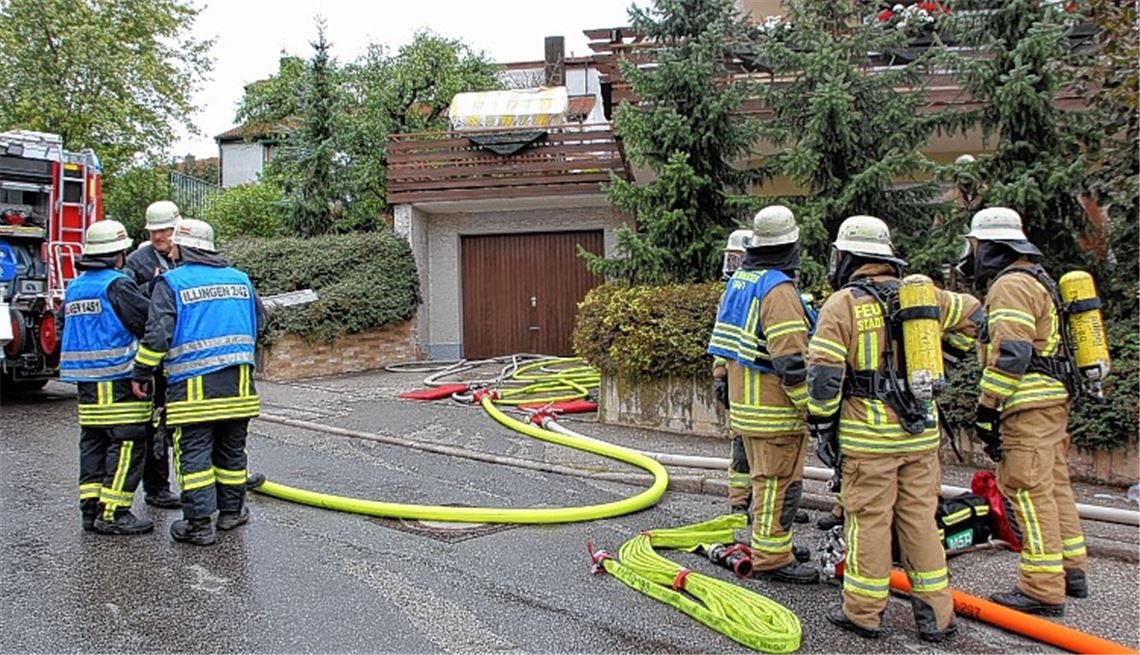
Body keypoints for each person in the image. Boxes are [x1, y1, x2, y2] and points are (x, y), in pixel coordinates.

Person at [807, 215, 981, 642]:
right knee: (921, 521)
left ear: (848, 257)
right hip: (920, 433)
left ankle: (863, 612)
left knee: (868, 523)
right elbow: (978, 316)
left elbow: (825, 376)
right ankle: (937, 617)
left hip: (869, 440)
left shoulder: (843, 304)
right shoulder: (922, 296)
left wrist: (823, 425)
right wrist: (948, 362)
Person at [955, 206, 1088, 615]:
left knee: (1026, 491)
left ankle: (1042, 588)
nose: (971, 253)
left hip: (1026, 404)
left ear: (991, 247)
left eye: (975, 245)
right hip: (1050, 401)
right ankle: (1071, 569)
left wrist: (987, 407)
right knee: (1053, 485)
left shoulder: (1010, 285)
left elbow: (1012, 354)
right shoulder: (1038, 280)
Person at [132, 219, 266, 546]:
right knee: (232, 454)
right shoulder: (241, 280)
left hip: (192, 394)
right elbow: (260, 323)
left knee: (194, 459)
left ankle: (199, 526)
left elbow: (157, 335)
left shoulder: (172, 283)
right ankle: (232, 513)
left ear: (181, 248)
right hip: (239, 389)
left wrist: (141, 372)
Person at [707, 205, 819, 584]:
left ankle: (771, 543)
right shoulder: (778, 289)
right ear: (791, 245)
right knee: (779, 485)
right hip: (776, 409)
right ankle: (773, 557)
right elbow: (790, 359)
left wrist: (721, 379)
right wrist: (812, 407)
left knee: (762, 481)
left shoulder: (741, 282)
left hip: (747, 407)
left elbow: (723, 344)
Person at [60, 220, 154, 535]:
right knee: (127, 442)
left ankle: (90, 511)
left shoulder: (75, 286)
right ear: (117, 254)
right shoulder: (117, 284)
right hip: (119, 379)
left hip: (86, 384)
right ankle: (114, 513)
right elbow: (146, 320)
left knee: (94, 443)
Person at [124, 200, 181, 510]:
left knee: (189, 425)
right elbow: (130, 304)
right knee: (156, 424)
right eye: (155, 231)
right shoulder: (139, 261)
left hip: (183, 357)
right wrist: (156, 288)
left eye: (165, 230)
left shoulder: (187, 254)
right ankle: (157, 488)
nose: (160, 236)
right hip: (156, 356)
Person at [713, 228, 756, 515]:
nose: (733, 267)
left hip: (762, 382)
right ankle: (739, 500)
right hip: (741, 381)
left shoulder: (767, 288)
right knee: (741, 445)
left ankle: (774, 504)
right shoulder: (729, 295)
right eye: (732, 260)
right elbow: (721, 341)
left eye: (739, 260)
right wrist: (719, 375)